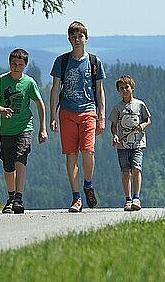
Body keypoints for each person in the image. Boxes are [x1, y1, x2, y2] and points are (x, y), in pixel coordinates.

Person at [49, 21, 106, 213]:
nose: (77, 39)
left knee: (88, 152)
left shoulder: (94, 62)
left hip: (88, 111)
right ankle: (76, 198)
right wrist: (53, 115)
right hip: (66, 112)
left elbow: (99, 91)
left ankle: (88, 184)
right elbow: (55, 89)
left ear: (86, 38)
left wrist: (102, 116)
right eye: (73, 36)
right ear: (69, 39)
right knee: (71, 155)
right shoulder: (62, 61)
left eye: (80, 36)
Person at [0, 49, 48, 214]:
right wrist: (0, 109)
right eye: (14, 64)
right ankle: (11, 197)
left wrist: (43, 128)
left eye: (20, 64)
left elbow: (40, 104)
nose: (16, 67)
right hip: (6, 130)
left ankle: (18, 198)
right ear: (9, 63)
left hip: (24, 128)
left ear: (25, 66)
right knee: (8, 166)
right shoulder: (2, 81)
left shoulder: (29, 83)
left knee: (21, 159)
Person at [109, 75, 152, 211]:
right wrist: (115, 136)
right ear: (118, 91)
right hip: (122, 145)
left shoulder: (140, 104)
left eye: (126, 87)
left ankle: (136, 198)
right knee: (125, 171)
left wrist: (143, 126)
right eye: (121, 88)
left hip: (138, 144)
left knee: (136, 168)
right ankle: (127, 199)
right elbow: (113, 125)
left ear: (132, 88)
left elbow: (148, 119)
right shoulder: (117, 107)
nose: (124, 90)